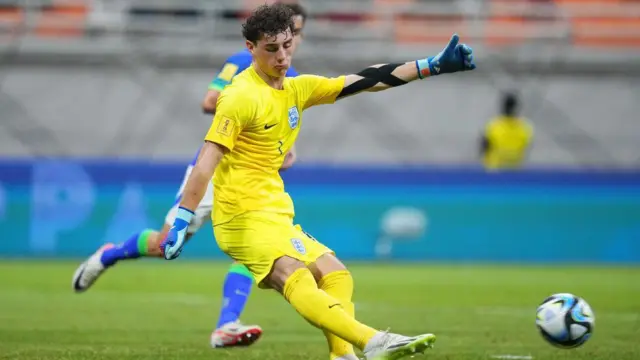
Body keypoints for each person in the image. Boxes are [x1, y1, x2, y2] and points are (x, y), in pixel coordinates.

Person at [161, 3, 475, 360]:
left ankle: (341, 356)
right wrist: (183, 218)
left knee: (337, 274)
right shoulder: (239, 96)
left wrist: (430, 66)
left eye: (286, 45)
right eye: (271, 49)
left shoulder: (296, 88)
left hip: (274, 211)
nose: (282, 56)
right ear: (250, 48)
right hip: (240, 217)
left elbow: (366, 80)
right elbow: (205, 162)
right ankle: (372, 341)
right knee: (294, 274)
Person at [71, 2, 308, 350]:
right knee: (166, 243)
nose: (290, 41)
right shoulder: (243, 63)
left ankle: (227, 324)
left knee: (258, 251)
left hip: (254, 181)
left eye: (297, 33)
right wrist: (244, 113)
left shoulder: (295, 81)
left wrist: (285, 150)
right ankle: (112, 253)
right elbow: (210, 100)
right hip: (216, 172)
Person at [480, 91, 534, 170]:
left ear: (503, 106)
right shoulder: (525, 127)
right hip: (515, 168)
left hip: (495, 169)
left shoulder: (493, 125)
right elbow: (526, 146)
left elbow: (483, 147)